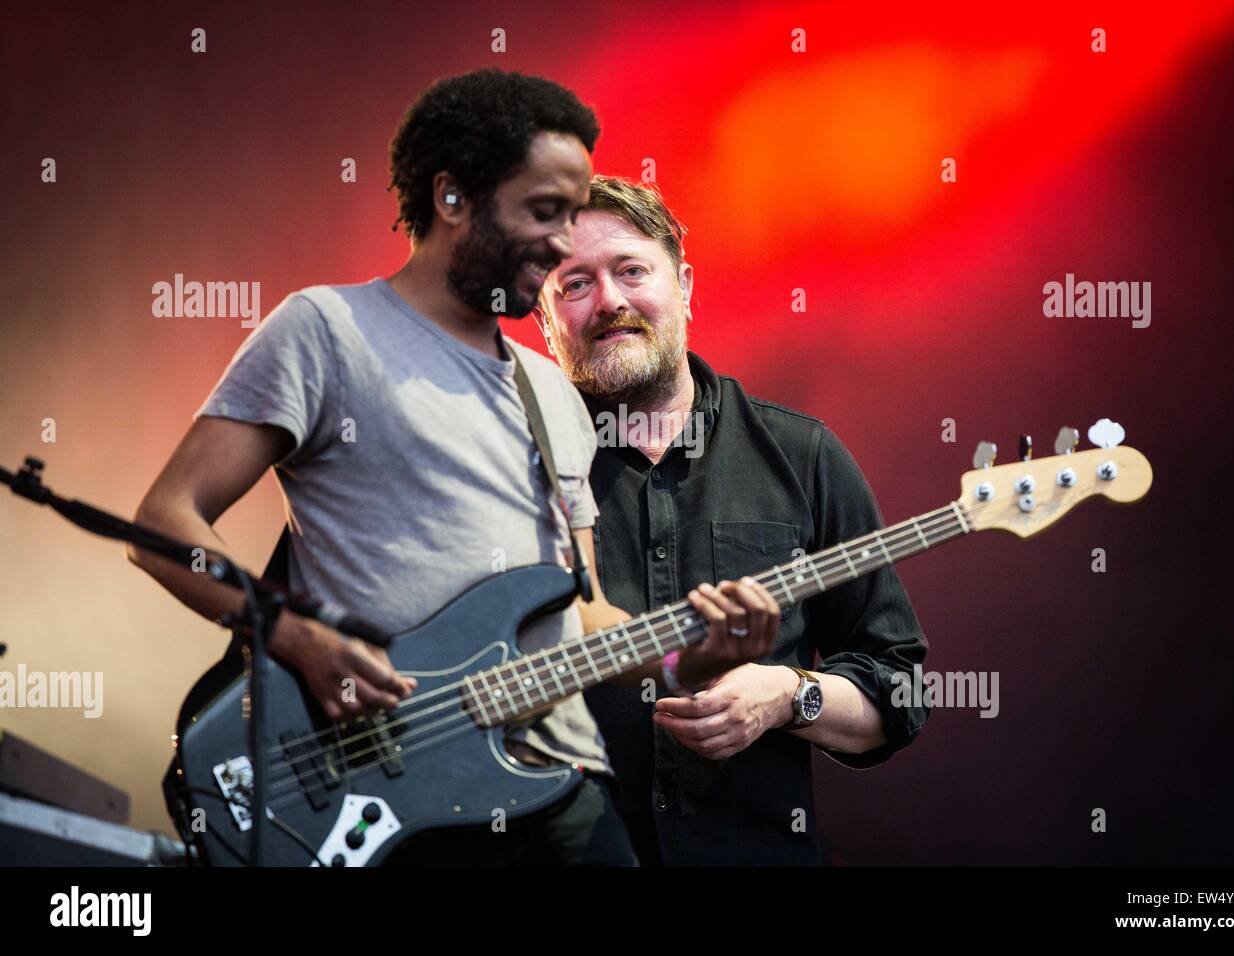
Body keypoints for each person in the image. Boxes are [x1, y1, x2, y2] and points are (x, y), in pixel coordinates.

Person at [128, 72, 776, 866]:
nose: (563, 241)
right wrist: (293, 636)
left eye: (571, 216)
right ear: (453, 198)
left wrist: (686, 651)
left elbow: (581, 614)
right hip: (397, 783)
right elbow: (164, 522)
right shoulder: (327, 331)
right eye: (545, 211)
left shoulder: (550, 394)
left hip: (562, 785)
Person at [534, 175, 931, 865]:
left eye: (632, 269)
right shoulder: (513, 471)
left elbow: (899, 691)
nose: (611, 301)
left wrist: (788, 695)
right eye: (574, 284)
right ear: (544, 324)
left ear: (684, 285)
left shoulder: (803, 455)